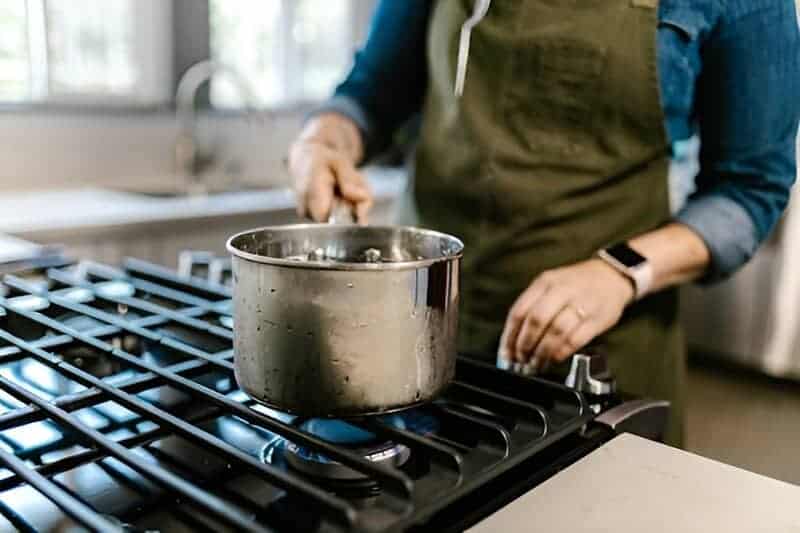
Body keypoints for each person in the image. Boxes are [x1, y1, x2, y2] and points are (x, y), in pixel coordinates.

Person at [287, 0, 800, 446]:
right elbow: (375, 90)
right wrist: (324, 140)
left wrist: (620, 271)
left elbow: (750, 188)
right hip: (415, 329)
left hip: (596, 354)